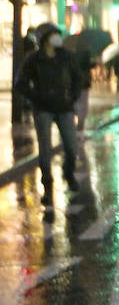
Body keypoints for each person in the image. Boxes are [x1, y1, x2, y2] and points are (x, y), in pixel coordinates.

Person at [17, 23, 83, 209]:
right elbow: (20, 83)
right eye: (53, 35)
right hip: (43, 109)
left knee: (71, 147)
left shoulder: (66, 57)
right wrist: (36, 98)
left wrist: (73, 96)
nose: (57, 38)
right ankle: (48, 188)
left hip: (64, 107)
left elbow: (78, 77)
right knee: (45, 150)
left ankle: (68, 173)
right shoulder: (34, 59)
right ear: (44, 39)